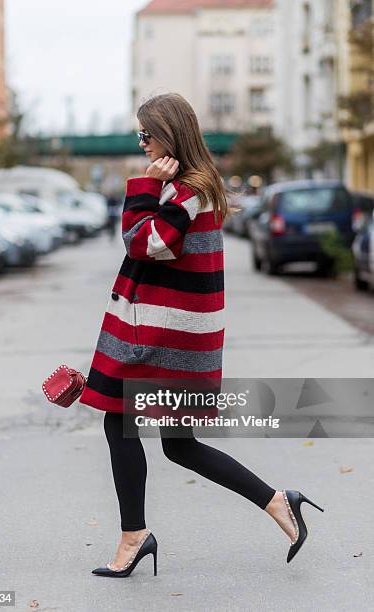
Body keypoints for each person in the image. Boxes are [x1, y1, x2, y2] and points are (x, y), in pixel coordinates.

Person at [78, 93, 324, 577]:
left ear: (171, 134)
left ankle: (135, 537)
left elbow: (142, 242)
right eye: (140, 135)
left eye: (147, 134)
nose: (142, 143)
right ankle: (278, 501)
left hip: (162, 338)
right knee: (178, 442)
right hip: (175, 336)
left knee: (121, 421)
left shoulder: (185, 190)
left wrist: (145, 186)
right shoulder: (195, 185)